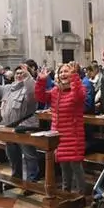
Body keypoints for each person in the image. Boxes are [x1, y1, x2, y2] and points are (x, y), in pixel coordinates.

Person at [35, 63, 88, 195]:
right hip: (59, 134)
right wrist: (41, 81)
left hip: (73, 133)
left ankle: (82, 194)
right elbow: (40, 97)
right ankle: (66, 192)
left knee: (76, 165)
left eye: (66, 71)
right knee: (63, 165)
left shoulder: (79, 88)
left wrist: (75, 76)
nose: (63, 74)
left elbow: (77, 97)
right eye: (61, 72)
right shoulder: (55, 91)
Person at [0, 61, 41, 181]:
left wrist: (28, 77)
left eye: (22, 73)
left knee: (29, 156)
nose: (19, 75)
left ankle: (32, 180)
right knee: (12, 155)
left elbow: (32, 94)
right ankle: (16, 178)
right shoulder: (7, 89)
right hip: (9, 127)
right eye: (17, 73)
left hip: (25, 127)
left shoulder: (30, 88)